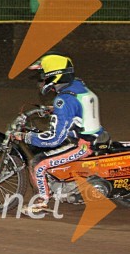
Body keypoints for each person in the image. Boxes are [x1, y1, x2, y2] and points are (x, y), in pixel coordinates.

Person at [15, 54, 103, 215]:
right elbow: (77, 106)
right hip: (97, 136)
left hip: (83, 145)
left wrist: (26, 137)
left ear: (54, 77)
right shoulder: (77, 86)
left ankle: (41, 202)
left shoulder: (63, 101)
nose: (41, 81)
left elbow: (54, 139)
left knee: (38, 164)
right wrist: (53, 109)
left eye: (43, 76)